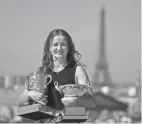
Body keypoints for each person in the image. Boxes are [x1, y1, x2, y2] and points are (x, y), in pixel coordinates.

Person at [17, 29, 91, 122]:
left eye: (63, 44)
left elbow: (92, 101)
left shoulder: (77, 70)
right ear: (49, 48)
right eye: (55, 44)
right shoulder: (41, 72)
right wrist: (30, 94)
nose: (59, 48)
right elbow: (20, 103)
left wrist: (75, 101)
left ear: (69, 47)